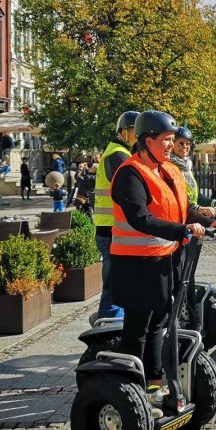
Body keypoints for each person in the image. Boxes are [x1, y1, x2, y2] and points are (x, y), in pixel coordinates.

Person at [109, 111, 216, 414]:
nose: (172, 145)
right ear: (148, 141)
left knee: (161, 323)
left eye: (173, 140)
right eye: (167, 140)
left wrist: (208, 221)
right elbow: (140, 218)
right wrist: (182, 230)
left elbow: (182, 209)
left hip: (167, 260)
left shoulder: (169, 170)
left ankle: (155, 384)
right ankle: (134, 392)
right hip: (136, 265)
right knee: (138, 328)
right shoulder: (129, 173)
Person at [92, 111, 139, 322]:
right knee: (114, 285)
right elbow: (130, 190)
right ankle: (107, 329)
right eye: (135, 131)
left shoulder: (121, 152)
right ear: (123, 132)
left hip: (114, 228)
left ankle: (111, 324)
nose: (139, 135)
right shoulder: (118, 155)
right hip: (111, 230)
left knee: (120, 284)